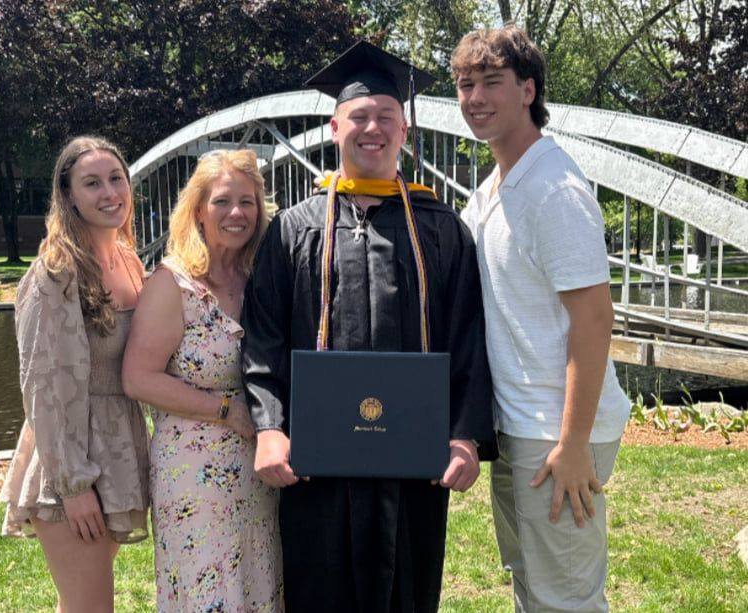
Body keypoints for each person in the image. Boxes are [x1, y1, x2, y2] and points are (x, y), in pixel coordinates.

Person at [241, 41, 497, 613]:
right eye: (359, 117)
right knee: (318, 587)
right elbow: (263, 339)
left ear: (404, 130)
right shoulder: (293, 230)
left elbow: (470, 339)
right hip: (315, 466)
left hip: (414, 467)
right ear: (335, 127)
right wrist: (270, 427)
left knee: (408, 586)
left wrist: (464, 435)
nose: (372, 128)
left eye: (386, 117)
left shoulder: (442, 229)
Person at [453, 26, 630, 613]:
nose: (474, 97)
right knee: (532, 583)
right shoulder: (492, 191)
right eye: (464, 84)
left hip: (557, 430)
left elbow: (594, 318)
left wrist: (574, 442)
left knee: (566, 597)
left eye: (491, 82)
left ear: (528, 89)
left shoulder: (553, 187)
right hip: (518, 426)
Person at [122, 149, 282, 612]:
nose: (236, 213)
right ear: (197, 211)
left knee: (257, 583)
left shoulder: (262, 279)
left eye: (248, 202)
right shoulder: (173, 284)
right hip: (194, 476)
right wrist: (226, 410)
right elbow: (137, 378)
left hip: (259, 471)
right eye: (222, 202)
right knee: (207, 591)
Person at [0, 135, 150, 613]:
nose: (110, 193)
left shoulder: (128, 259)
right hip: (71, 458)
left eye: (116, 179)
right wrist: (74, 486)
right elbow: (42, 387)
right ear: (68, 195)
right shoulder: (56, 275)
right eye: (92, 183)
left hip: (118, 448)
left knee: (81, 605)